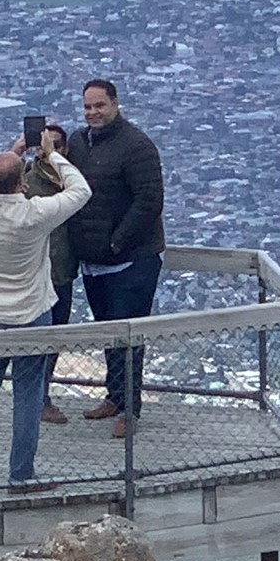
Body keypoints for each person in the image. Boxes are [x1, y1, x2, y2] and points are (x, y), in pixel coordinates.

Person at [0, 131, 91, 490]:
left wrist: (10, 152)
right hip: (31, 315)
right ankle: (21, 474)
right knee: (28, 397)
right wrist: (52, 155)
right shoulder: (35, 214)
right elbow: (81, 191)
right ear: (23, 181)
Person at [65, 79, 166, 441]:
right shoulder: (79, 142)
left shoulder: (137, 146)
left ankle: (129, 409)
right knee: (108, 331)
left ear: (115, 104)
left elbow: (149, 201)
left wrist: (116, 242)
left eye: (99, 105)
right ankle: (114, 396)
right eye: (87, 106)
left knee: (129, 336)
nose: (93, 112)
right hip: (94, 261)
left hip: (132, 261)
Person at [21, 123, 79, 424]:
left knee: (55, 339)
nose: (48, 149)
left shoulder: (72, 179)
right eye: (45, 143)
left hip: (64, 270)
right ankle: (37, 401)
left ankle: (40, 399)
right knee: (39, 341)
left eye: (55, 144)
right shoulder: (28, 180)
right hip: (39, 273)